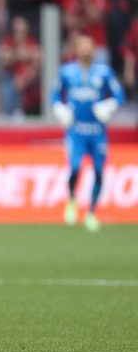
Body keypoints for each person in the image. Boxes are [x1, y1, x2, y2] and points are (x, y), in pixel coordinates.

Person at [51, 35, 125, 232]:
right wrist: (61, 109)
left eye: (89, 46)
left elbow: (119, 95)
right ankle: (72, 201)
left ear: (94, 49)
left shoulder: (104, 72)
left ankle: (92, 212)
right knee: (75, 168)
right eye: (82, 46)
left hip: (97, 131)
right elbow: (55, 95)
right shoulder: (67, 72)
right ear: (76, 48)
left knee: (99, 171)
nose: (86, 50)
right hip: (76, 131)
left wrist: (108, 106)